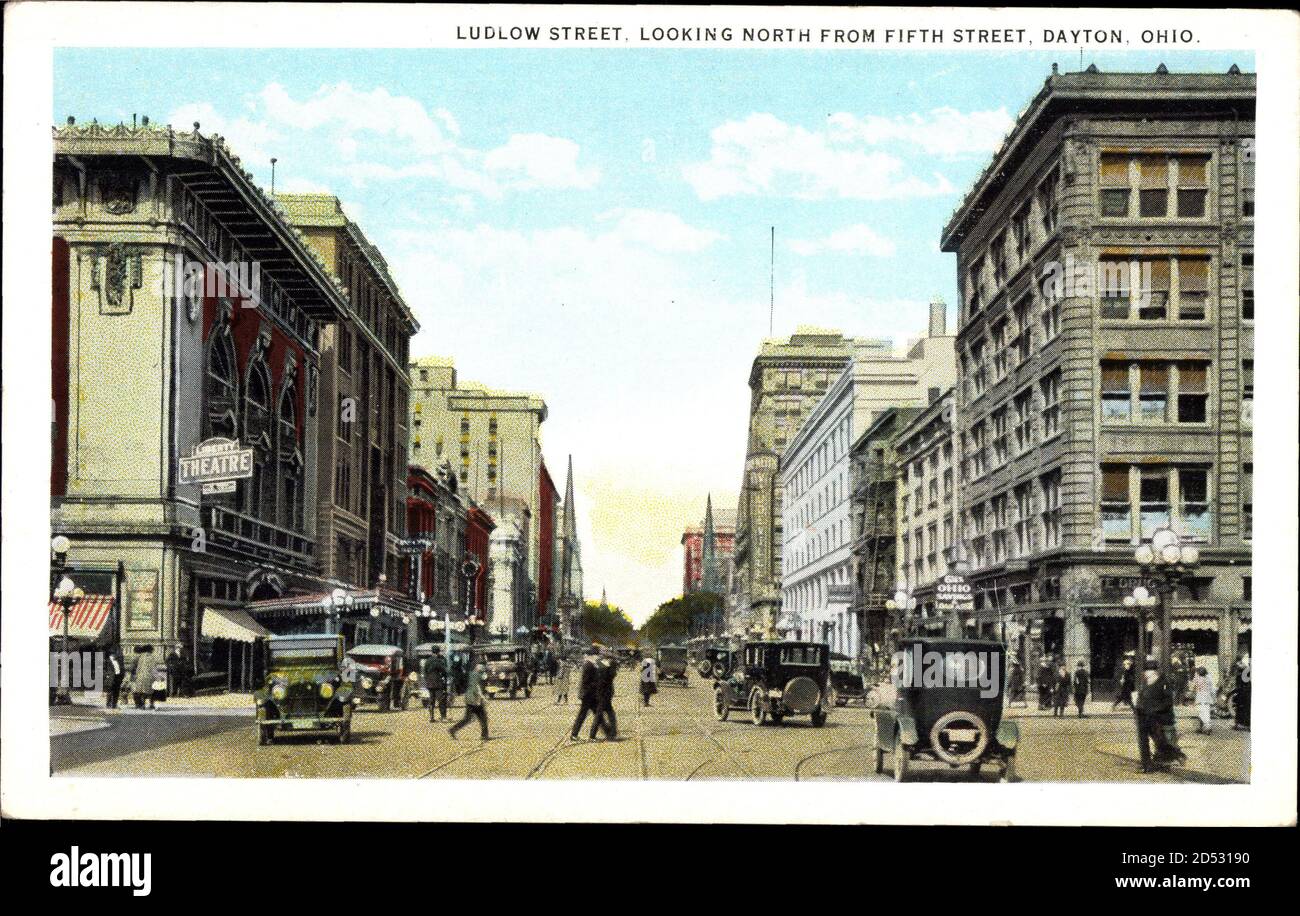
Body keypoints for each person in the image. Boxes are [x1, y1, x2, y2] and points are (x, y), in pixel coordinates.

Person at [1135, 660, 1186, 773]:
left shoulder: (1163, 682)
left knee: (1160, 741)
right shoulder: (1145, 682)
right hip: (1143, 715)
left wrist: (1155, 709)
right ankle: (1147, 764)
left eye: (1150, 672)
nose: (1147, 674)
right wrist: (1138, 706)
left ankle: (1174, 755)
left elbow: (1168, 702)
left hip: (1155, 717)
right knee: (1143, 741)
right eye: (1147, 672)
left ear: (1155, 672)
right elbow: (1142, 697)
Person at [448, 657, 489, 741]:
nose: (484, 667)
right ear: (477, 666)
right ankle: (452, 730)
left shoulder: (472, 673)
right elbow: (476, 687)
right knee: (476, 718)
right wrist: (481, 698)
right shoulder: (477, 675)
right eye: (482, 665)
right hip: (474, 699)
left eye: (484, 665)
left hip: (470, 698)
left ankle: (453, 730)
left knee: (476, 718)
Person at [569, 647, 602, 740]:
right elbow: (586, 681)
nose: (598, 657)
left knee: (584, 714)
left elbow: (606, 665)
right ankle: (590, 736)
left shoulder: (591, 664)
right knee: (594, 714)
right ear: (594, 655)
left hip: (589, 694)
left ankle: (575, 735)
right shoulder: (589, 665)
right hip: (589, 695)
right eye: (598, 655)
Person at [592, 650, 619, 739]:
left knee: (605, 711)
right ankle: (594, 733)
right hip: (606, 691)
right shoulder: (609, 664)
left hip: (599, 690)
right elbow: (612, 675)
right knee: (602, 713)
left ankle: (611, 731)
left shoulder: (599, 663)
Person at [426, 646, 449, 722]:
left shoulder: (428, 660)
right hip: (438, 683)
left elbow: (425, 671)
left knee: (431, 700)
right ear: (438, 652)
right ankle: (443, 717)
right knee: (441, 700)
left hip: (429, 683)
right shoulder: (438, 661)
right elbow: (444, 671)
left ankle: (431, 717)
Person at [131, 645, 156, 710]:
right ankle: (151, 704)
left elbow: (138, 667)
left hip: (140, 676)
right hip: (149, 676)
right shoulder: (152, 657)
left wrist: (136, 675)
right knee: (152, 692)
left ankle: (142, 705)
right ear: (150, 650)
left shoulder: (141, 657)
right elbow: (153, 668)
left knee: (142, 691)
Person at [1192, 666, 1215, 734]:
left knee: (1201, 713)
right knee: (1206, 712)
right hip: (1207, 697)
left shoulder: (1197, 679)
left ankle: (1206, 727)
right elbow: (1212, 689)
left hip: (1200, 697)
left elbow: (1193, 687)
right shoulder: (1208, 678)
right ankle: (1206, 727)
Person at [1231, 655, 1251, 730]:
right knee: (1240, 707)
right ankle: (1239, 723)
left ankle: (1241, 724)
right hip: (1242, 690)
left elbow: (1244, 680)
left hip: (1243, 691)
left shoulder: (1242, 668)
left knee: (1241, 707)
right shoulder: (1245, 667)